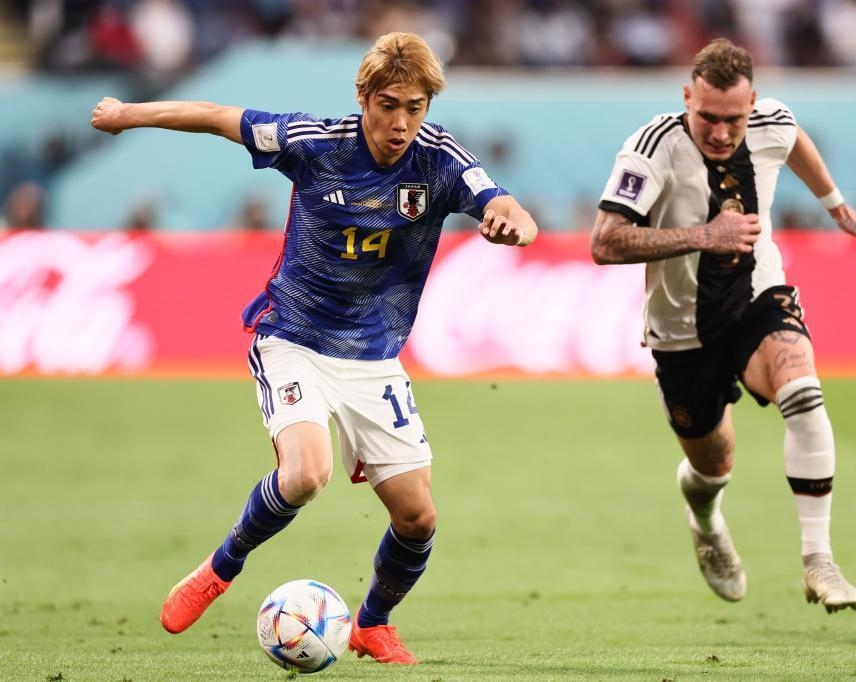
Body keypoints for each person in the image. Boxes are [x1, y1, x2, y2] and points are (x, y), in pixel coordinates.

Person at [91, 32, 537, 663]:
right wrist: (127, 114)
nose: (401, 122)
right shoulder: (314, 144)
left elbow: (509, 207)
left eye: (414, 108)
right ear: (363, 97)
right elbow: (217, 116)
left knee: (418, 519)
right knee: (306, 474)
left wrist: (514, 225)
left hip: (374, 358)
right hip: (293, 338)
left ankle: (372, 624)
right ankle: (221, 567)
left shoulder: (438, 160)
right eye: (388, 105)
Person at [590, 38, 856, 613]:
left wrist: (836, 205)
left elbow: (793, 139)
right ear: (686, 98)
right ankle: (705, 520)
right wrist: (706, 235)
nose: (722, 134)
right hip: (682, 329)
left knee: (803, 390)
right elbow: (604, 241)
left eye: (734, 119)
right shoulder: (651, 148)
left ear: (752, 104)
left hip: (757, 296)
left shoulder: (772, 122)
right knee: (713, 465)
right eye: (708, 118)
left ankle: (819, 560)